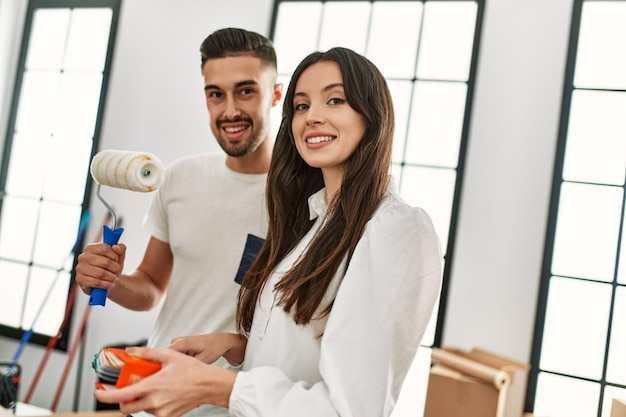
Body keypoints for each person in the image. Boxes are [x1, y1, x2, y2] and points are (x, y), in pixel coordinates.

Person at [93, 47, 443, 417]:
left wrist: (217, 386)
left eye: (335, 100)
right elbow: (304, 354)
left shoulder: (397, 230)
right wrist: (237, 345)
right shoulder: (317, 223)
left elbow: (350, 408)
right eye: (302, 106)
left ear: (372, 117)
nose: (313, 117)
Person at [75, 27, 283, 417]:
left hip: (236, 407)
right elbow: (152, 285)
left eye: (246, 90)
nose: (230, 110)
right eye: (215, 94)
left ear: (275, 94)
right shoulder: (179, 177)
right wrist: (111, 280)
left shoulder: (300, 201)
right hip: (152, 398)